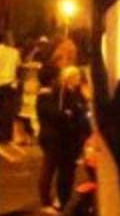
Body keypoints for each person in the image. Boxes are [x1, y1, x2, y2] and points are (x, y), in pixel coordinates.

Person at [36, 65, 90, 209]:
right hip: (56, 139)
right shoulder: (51, 95)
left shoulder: (73, 93)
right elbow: (57, 114)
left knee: (64, 170)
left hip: (69, 139)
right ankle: (48, 201)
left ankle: (61, 200)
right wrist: (67, 115)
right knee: (51, 168)